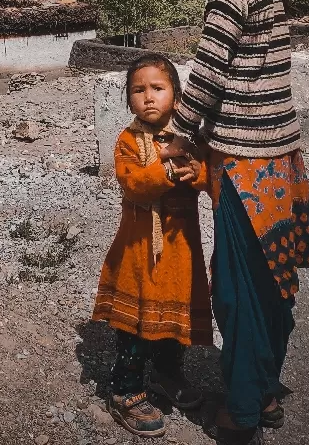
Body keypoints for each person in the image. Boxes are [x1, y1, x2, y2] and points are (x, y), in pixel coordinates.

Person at [170, 0, 309, 445]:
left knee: (236, 285)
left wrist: (178, 135)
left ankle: (239, 412)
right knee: (271, 278)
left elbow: (207, 76)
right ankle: (261, 387)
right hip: (281, 155)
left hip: (245, 160)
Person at [92, 53, 212, 438]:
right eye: (138, 90)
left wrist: (197, 172)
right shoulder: (128, 141)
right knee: (137, 326)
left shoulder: (189, 140)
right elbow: (133, 184)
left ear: (176, 98)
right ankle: (125, 390)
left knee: (175, 320)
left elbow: (209, 173)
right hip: (140, 252)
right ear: (128, 100)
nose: (148, 97)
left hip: (179, 253)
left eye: (157, 89)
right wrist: (162, 164)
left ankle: (167, 374)